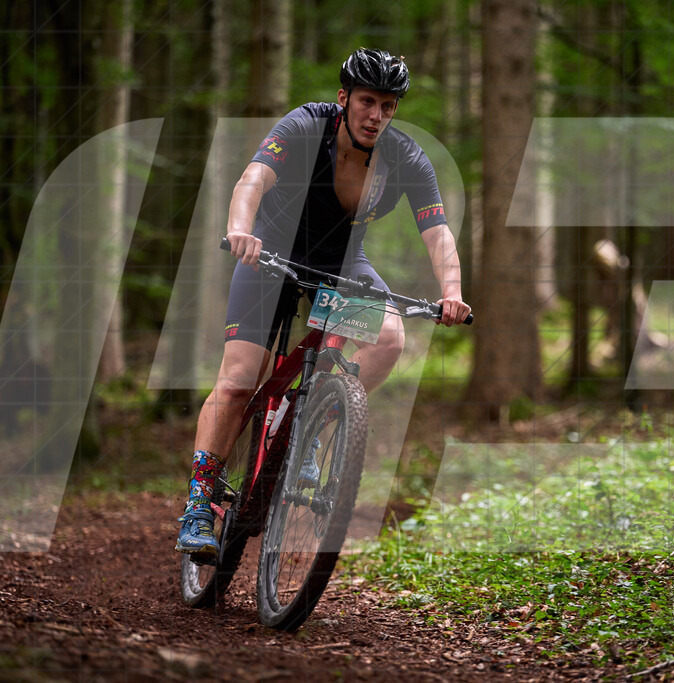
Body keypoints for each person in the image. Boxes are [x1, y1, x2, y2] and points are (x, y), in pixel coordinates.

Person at [176, 48, 471, 558]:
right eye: (366, 102)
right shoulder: (306, 126)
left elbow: (437, 230)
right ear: (344, 99)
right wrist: (240, 232)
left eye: (387, 105)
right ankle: (200, 503)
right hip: (269, 257)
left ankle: (309, 421)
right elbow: (253, 179)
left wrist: (452, 293)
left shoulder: (405, 157)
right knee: (241, 376)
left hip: (340, 270)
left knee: (388, 336)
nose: (375, 115)